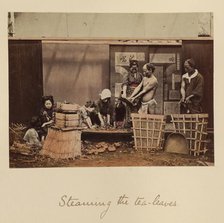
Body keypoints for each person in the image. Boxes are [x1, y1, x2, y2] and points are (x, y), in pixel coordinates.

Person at [121, 60, 143, 126]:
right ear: (130, 68)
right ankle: (128, 124)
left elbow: (143, 85)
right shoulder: (127, 75)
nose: (134, 69)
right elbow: (125, 84)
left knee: (137, 109)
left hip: (138, 95)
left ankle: (137, 125)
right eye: (132, 68)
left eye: (135, 67)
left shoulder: (140, 75)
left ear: (137, 68)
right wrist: (124, 93)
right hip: (129, 94)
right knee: (129, 109)